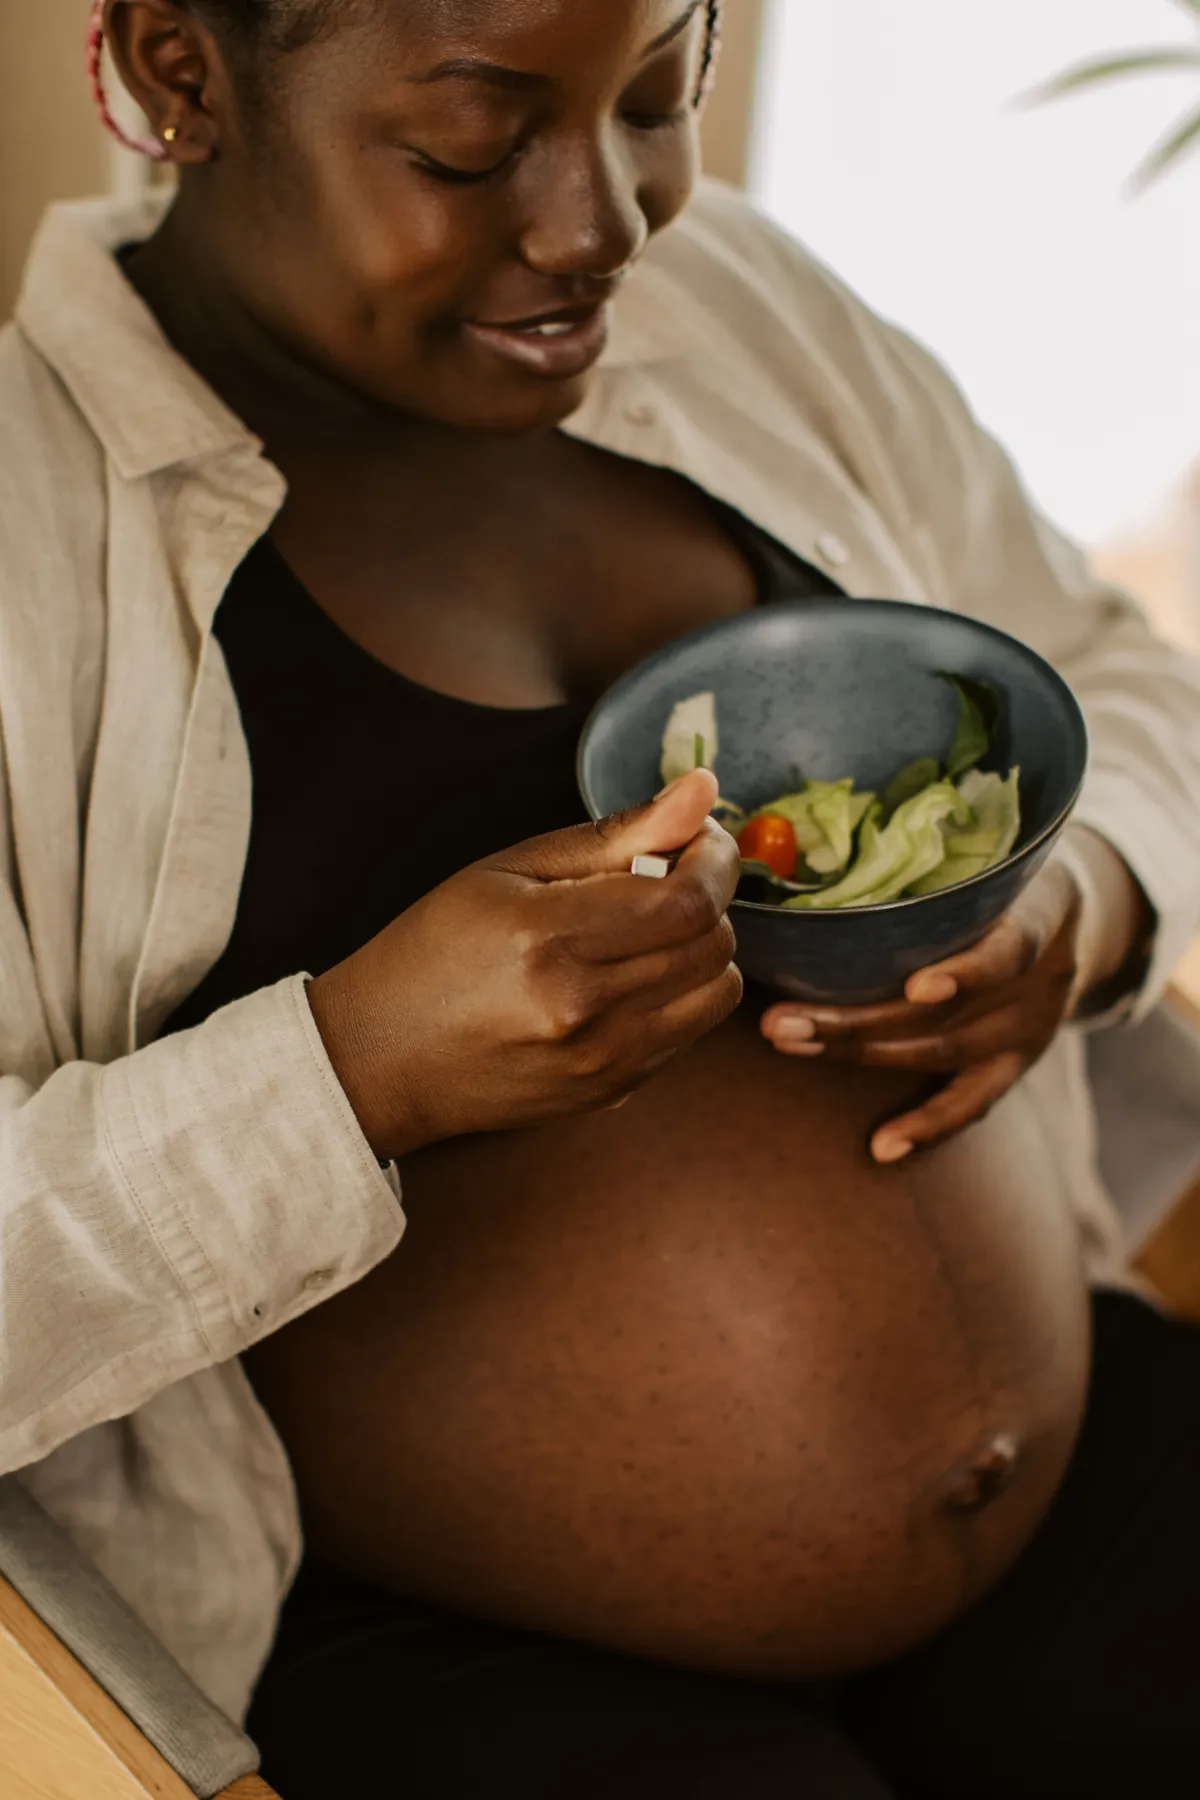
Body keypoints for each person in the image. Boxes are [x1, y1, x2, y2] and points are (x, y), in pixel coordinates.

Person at [2, 0, 1199, 1792]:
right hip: (444, 1651)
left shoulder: (739, 313)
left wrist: (1086, 906)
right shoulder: (27, 547)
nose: (602, 226)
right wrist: (352, 1071)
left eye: (660, 94)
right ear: (185, 73)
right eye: (474, 145)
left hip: (1075, 1466)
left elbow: (1111, 664)